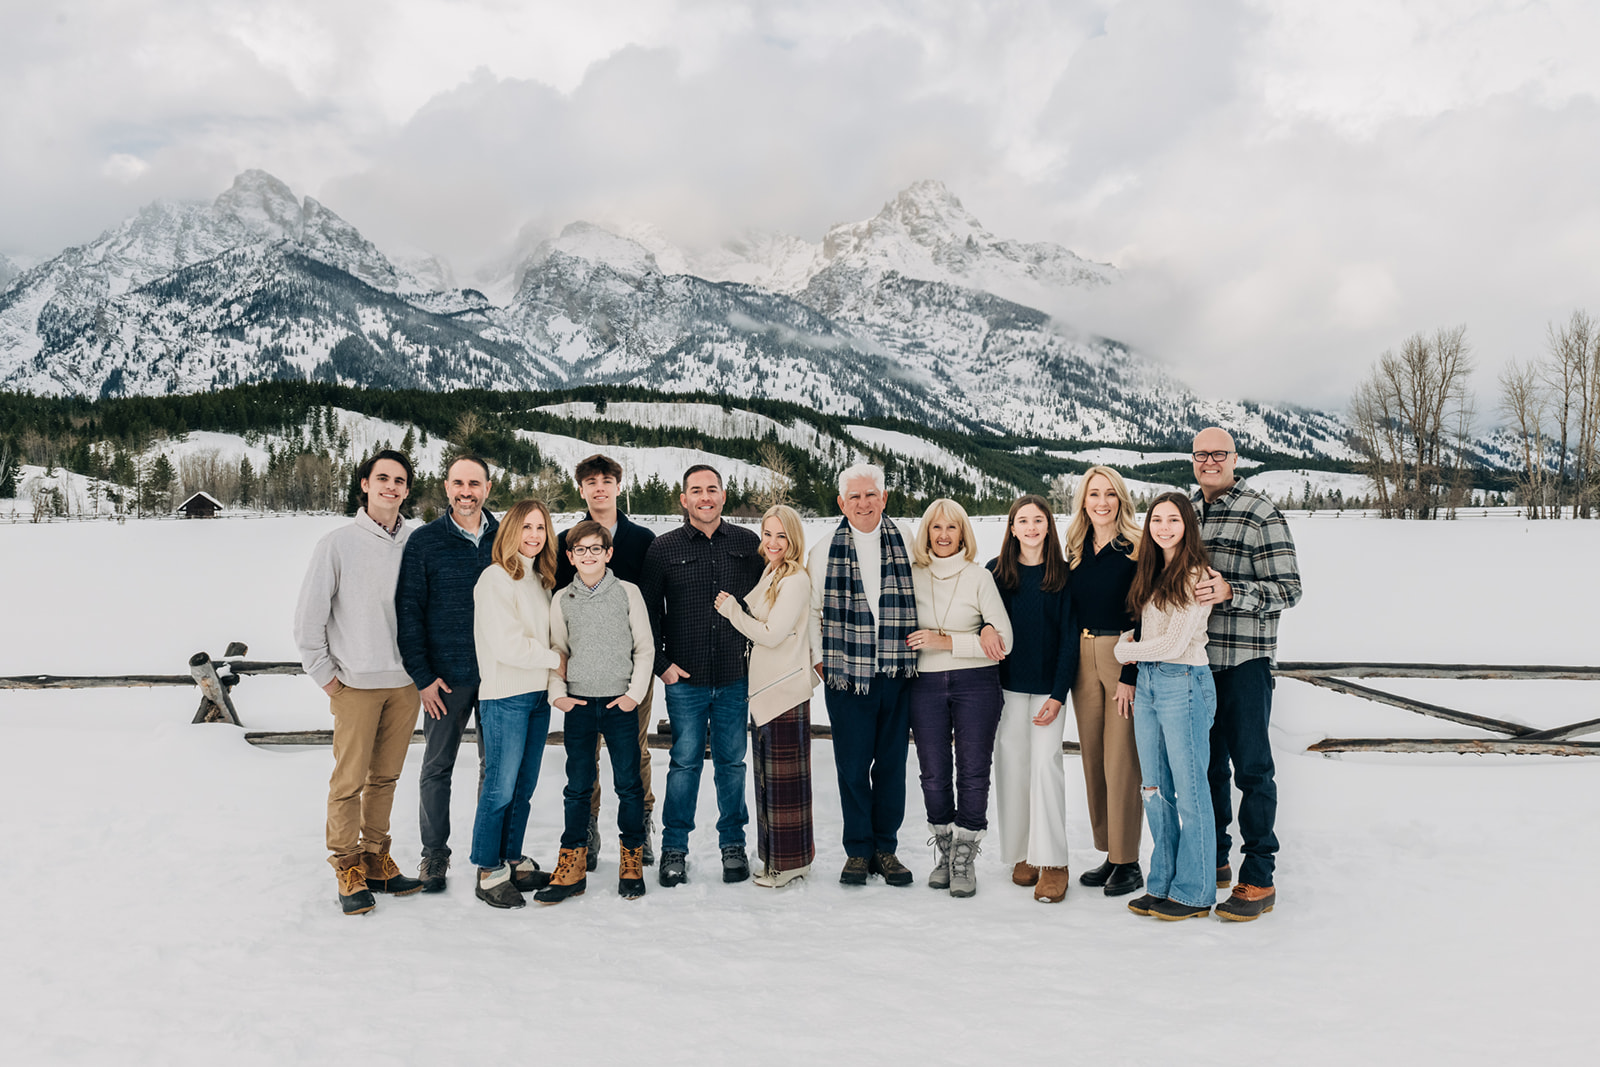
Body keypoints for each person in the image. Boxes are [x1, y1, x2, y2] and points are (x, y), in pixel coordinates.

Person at [293, 449, 425, 915]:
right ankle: (347, 864)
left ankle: (376, 859)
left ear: (407, 490)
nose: (391, 486)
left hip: (406, 684)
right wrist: (327, 678)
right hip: (355, 684)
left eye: (400, 480)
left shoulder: (418, 541)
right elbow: (309, 619)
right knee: (349, 780)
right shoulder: (337, 544)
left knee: (385, 778)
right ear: (364, 485)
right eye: (382, 478)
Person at [1190, 427, 1303, 922]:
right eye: (1201, 455)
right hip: (1194, 664)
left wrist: (1233, 592)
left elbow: (1290, 588)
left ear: (1235, 459)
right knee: (1208, 768)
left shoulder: (1260, 513)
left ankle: (1258, 875)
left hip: (1245, 663)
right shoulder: (1187, 512)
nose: (1209, 461)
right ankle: (1214, 857)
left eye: (1218, 454)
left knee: (1253, 771)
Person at [640, 465, 764, 887]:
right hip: (685, 679)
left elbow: (766, 602)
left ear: (724, 496)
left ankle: (733, 845)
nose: (705, 497)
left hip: (735, 676)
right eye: (696, 490)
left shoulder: (749, 544)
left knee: (732, 764)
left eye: (712, 489)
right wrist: (662, 666)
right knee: (684, 763)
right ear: (684, 499)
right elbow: (647, 614)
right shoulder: (663, 548)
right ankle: (675, 848)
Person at [808, 463, 920, 887]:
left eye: (870, 494)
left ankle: (886, 849)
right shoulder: (824, 550)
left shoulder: (905, 540)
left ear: (884, 498)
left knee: (891, 763)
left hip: (895, 670)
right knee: (853, 766)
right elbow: (812, 610)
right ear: (841, 503)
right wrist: (821, 661)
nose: (863, 503)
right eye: (854, 497)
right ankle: (858, 850)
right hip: (846, 675)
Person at [396, 454, 499, 892]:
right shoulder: (424, 541)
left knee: (493, 769)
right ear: (446, 486)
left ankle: (488, 852)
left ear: (488, 489)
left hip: (498, 677)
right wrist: (422, 677)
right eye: (458, 483)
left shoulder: (507, 537)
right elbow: (409, 613)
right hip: (445, 679)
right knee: (437, 766)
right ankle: (434, 854)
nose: (466, 492)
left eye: (474, 483)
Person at [539, 521, 656, 903]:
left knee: (628, 783)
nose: (588, 556)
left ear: (608, 553)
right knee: (578, 786)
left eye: (596, 549)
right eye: (580, 550)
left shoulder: (627, 593)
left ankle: (631, 858)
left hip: (619, 703)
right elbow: (559, 650)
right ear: (570, 557)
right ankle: (572, 862)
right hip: (580, 705)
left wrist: (633, 695)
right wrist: (559, 694)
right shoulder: (562, 599)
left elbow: (644, 648)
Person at [1115, 492, 1217, 921]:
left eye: (1173, 519)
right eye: (1157, 519)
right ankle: (1162, 882)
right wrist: (1137, 658)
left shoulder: (1198, 574)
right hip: (1152, 684)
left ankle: (1194, 892)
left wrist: (1125, 653)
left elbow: (1175, 644)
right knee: (1154, 789)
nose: (1164, 527)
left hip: (1185, 683)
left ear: (1187, 525)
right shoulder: (1151, 571)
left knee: (1191, 792)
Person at [555, 454, 659, 872]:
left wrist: (650, 666)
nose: (600, 487)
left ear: (618, 486)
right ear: (581, 489)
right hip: (583, 673)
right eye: (591, 481)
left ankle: (641, 825)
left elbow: (654, 604)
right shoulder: (568, 538)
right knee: (586, 757)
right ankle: (590, 827)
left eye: (607, 480)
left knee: (636, 748)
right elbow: (560, 611)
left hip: (631, 668)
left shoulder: (643, 539)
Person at [906, 499, 1011, 898]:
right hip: (925, 684)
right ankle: (945, 847)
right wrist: (970, 638)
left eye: (952, 528)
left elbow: (1005, 642)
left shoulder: (979, 577)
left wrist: (947, 640)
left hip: (977, 683)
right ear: (926, 532)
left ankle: (965, 853)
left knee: (972, 769)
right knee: (932, 771)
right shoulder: (912, 575)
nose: (944, 535)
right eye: (936, 528)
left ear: (963, 533)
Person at [715, 505, 818, 888]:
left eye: (781, 536)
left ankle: (790, 863)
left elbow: (772, 634)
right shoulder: (773, 572)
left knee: (785, 783)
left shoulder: (795, 580)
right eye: (767, 534)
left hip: (784, 689)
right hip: (765, 689)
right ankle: (777, 858)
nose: (772, 543)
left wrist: (731, 613)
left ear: (793, 539)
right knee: (768, 782)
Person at [468, 498, 563, 910]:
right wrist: (554, 659)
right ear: (509, 531)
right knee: (500, 787)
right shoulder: (495, 579)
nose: (534, 535)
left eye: (541, 528)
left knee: (523, 788)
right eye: (526, 527)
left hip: (537, 697)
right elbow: (507, 645)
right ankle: (489, 871)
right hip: (505, 696)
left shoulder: (539, 581)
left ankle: (511, 858)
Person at [987, 494, 1078, 904]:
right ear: (1011, 528)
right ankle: (1024, 852)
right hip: (1005, 688)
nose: (1030, 527)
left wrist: (1058, 695)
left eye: (1038, 520)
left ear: (1048, 526)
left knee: (1045, 766)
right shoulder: (995, 573)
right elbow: (982, 623)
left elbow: (1069, 642)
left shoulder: (1062, 575)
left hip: (1047, 690)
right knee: (1012, 767)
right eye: (1022, 520)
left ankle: (1054, 861)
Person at [1063, 466, 1147, 897]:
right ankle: (1109, 851)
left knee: (1121, 761)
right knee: (1093, 757)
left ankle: (1128, 860)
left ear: (1121, 499)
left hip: (1120, 654)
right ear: (1083, 501)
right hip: (1082, 656)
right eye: (1094, 493)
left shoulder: (1135, 547)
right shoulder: (1076, 548)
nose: (1101, 501)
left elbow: (1142, 616)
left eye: (1109, 493)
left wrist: (1130, 674)